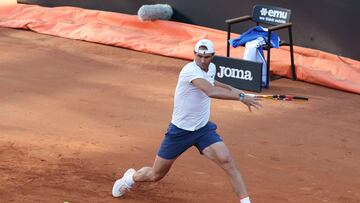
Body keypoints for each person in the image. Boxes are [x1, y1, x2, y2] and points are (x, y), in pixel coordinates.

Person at [112, 39, 262, 203]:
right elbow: (210, 90)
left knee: (228, 162)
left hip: (203, 130)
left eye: (207, 57)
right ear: (194, 55)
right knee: (156, 175)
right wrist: (241, 97)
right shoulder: (189, 70)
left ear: (212, 56)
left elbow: (214, 82)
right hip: (179, 132)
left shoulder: (211, 67)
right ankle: (129, 179)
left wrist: (240, 93)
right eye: (199, 56)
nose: (203, 60)